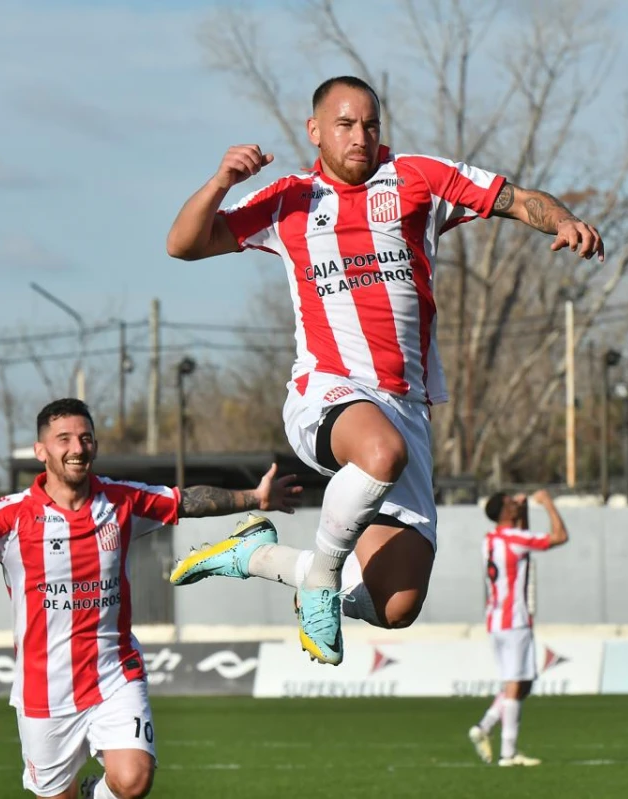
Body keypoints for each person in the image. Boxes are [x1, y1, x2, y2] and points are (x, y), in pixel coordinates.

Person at [165, 75, 603, 665]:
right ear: (315, 131)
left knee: (394, 604)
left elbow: (517, 199)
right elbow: (183, 244)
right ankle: (320, 579)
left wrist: (564, 222)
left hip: (409, 405)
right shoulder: (287, 200)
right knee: (379, 451)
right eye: (345, 124)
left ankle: (260, 558)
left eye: (370, 124)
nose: (360, 136)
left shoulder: (419, 178)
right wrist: (221, 182)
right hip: (327, 390)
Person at [0, 398, 301, 799]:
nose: (77, 448)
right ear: (42, 450)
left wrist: (254, 500)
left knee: (134, 779)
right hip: (44, 691)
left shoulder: (122, 501)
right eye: (64, 439)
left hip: (114, 672)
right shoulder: (12, 516)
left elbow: (184, 501)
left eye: (85, 438)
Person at [467, 490, 568, 767]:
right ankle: (508, 753)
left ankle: (484, 727)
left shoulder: (490, 541)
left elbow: (521, 537)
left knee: (521, 683)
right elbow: (559, 536)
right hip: (515, 620)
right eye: (512, 503)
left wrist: (522, 511)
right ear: (505, 512)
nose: (516, 504)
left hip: (496, 620)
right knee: (516, 685)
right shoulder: (515, 539)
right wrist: (547, 503)